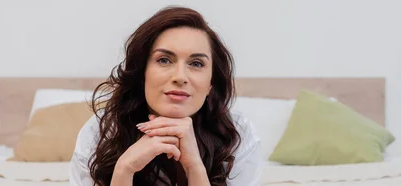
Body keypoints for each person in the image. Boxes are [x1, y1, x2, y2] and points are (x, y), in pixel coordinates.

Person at [68, 6, 262, 186]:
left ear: (211, 84)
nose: (180, 77)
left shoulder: (237, 135)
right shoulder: (101, 133)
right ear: (142, 73)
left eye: (196, 64)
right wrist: (124, 169)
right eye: (164, 60)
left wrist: (194, 167)